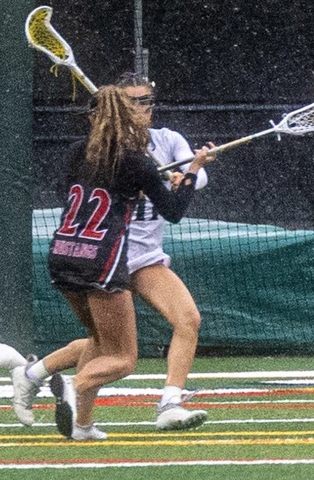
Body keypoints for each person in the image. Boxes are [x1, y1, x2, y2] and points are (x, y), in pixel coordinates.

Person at [12, 75, 216, 432]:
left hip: (83, 253)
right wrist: (164, 180)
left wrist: (183, 174)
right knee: (120, 357)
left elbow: (192, 180)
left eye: (147, 101)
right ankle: (74, 392)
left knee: (184, 320)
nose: (142, 109)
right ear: (120, 110)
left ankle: (69, 402)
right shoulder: (132, 160)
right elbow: (174, 208)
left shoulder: (123, 147)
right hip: (107, 257)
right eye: (133, 103)